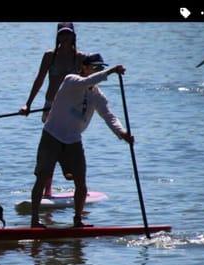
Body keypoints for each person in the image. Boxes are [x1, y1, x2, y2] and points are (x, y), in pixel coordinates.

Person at [30, 53, 134, 228]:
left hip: (73, 140)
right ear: (84, 68)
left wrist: (122, 133)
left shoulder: (97, 96)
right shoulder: (71, 80)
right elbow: (87, 81)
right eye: (95, 67)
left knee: (81, 182)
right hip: (52, 135)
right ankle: (34, 221)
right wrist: (111, 72)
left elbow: (109, 116)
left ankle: (78, 220)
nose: (98, 71)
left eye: (100, 68)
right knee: (42, 177)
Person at [20, 22, 86, 197]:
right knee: (51, 146)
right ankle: (47, 190)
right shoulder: (49, 56)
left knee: (70, 144)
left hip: (71, 108)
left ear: (73, 36)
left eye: (68, 34)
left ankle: (79, 183)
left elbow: (90, 78)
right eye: (62, 34)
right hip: (51, 106)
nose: (65, 38)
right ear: (58, 36)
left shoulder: (79, 57)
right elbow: (39, 79)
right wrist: (28, 104)